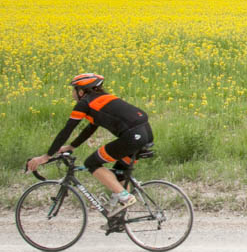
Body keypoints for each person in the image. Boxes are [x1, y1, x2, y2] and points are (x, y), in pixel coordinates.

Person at [27, 73, 153, 217]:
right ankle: (121, 216)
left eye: (73, 90)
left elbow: (66, 131)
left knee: (91, 163)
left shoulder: (85, 103)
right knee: (120, 173)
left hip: (132, 137)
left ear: (81, 91)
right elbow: (91, 128)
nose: (72, 93)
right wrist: (71, 147)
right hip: (145, 133)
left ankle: (126, 197)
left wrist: (46, 156)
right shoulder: (103, 100)